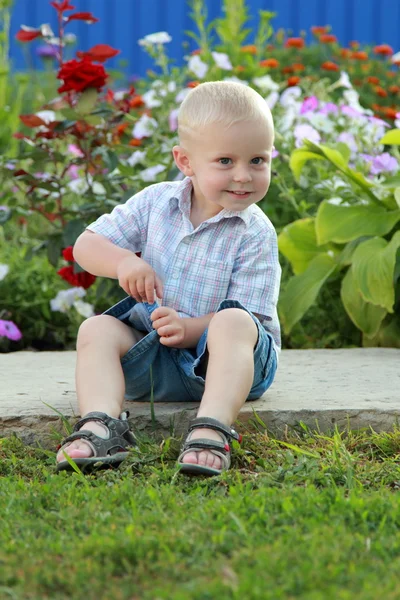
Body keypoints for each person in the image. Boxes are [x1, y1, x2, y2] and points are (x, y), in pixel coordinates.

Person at [56, 80, 281, 476]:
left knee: (234, 320)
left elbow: (253, 321)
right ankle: (100, 424)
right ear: (186, 161)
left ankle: (212, 427)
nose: (244, 175)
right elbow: (85, 247)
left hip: (229, 365)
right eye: (226, 161)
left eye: (257, 161)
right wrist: (125, 262)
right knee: (97, 328)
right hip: (155, 360)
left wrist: (192, 328)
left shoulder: (255, 231)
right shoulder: (155, 204)